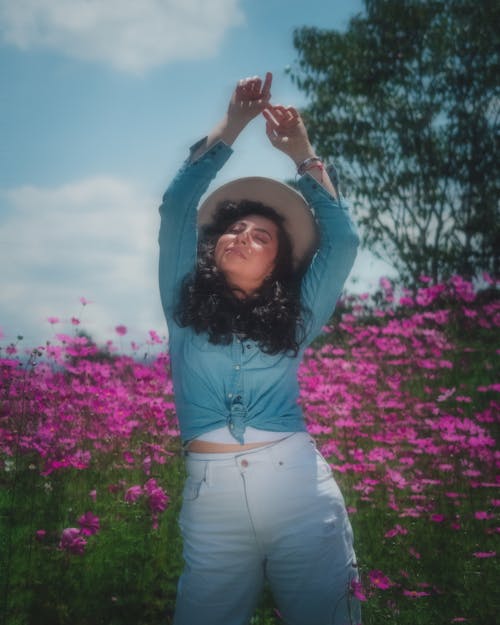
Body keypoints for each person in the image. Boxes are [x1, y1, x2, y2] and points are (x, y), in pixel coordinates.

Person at [158, 72, 362, 625]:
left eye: (261, 235)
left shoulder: (298, 315)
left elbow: (343, 241)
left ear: (277, 262)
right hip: (212, 504)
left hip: (300, 491)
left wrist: (302, 154)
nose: (241, 235)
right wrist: (234, 124)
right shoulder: (182, 304)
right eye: (234, 228)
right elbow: (178, 207)